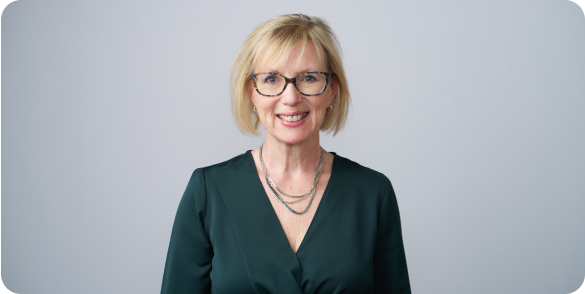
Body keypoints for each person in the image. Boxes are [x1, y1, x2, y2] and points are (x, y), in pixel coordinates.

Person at [161, 14, 411, 294]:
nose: (290, 98)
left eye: (308, 78)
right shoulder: (207, 191)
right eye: (271, 79)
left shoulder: (373, 193)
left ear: (332, 91)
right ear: (251, 93)